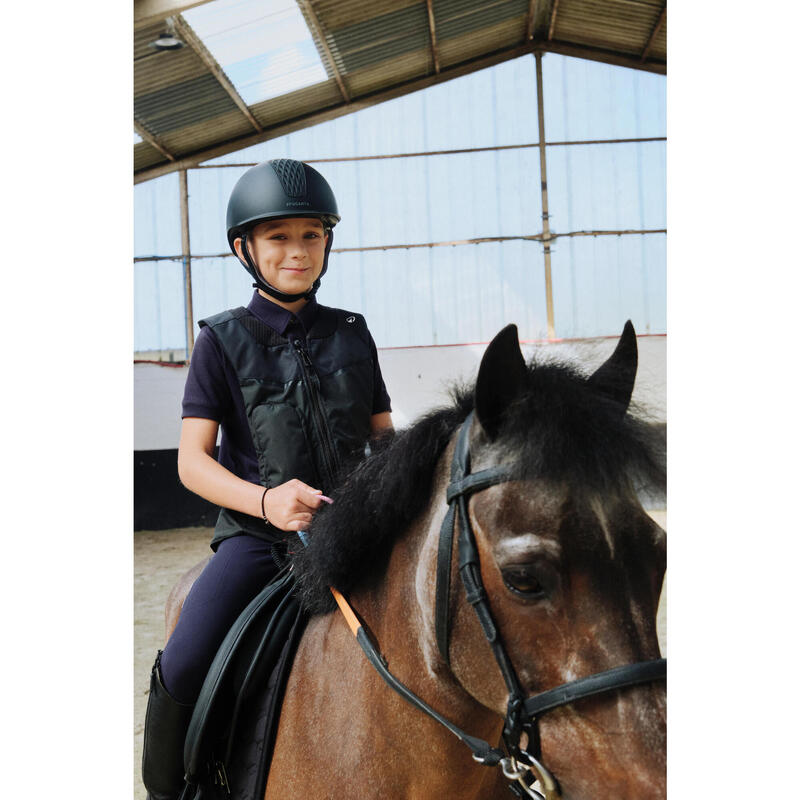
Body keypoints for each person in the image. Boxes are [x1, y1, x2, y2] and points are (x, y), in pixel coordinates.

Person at [141, 158, 393, 800]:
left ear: (328, 242)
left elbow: (387, 438)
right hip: (258, 538)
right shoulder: (220, 342)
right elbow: (191, 462)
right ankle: (170, 788)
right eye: (278, 237)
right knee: (188, 657)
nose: (297, 251)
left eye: (311, 235)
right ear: (245, 248)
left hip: (354, 528)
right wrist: (266, 501)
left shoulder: (353, 334)